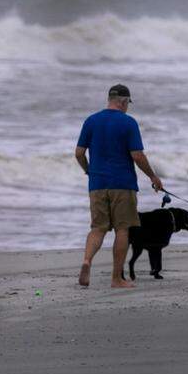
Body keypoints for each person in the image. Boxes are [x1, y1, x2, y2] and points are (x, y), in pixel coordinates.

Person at [75, 84, 164, 288]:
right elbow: (137, 155)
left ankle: (87, 261)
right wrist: (153, 176)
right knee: (122, 230)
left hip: (97, 184)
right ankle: (116, 278)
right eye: (127, 104)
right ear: (123, 101)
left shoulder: (91, 121)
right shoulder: (128, 123)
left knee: (97, 228)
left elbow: (79, 153)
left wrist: (88, 170)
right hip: (122, 184)